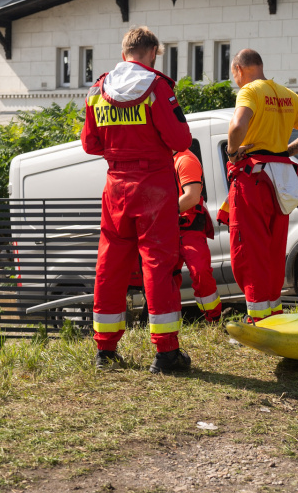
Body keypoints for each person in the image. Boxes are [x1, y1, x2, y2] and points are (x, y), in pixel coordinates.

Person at [80, 26, 194, 373]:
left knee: (110, 264)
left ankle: (105, 350)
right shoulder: (157, 87)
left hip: (116, 185)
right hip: (154, 185)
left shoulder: (98, 90)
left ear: (123, 51)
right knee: (158, 264)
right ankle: (166, 354)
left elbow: (90, 143)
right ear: (153, 52)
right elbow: (180, 139)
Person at [223, 49, 298, 321]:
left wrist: (233, 153)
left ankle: (257, 320)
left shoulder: (249, 91)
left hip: (254, 178)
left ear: (238, 68)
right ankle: (273, 315)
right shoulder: (286, 94)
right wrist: (284, 152)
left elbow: (236, 127)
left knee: (249, 250)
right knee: (273, 249)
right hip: (282, 179)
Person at [173, 148, 220, 322]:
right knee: (165, 279)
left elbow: (192, 197)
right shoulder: (162, 160)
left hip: (189, 227)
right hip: (168, 229)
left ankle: (213, 319)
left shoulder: (185, 159)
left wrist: (162, 214)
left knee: (200, 273)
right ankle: (170, 325)